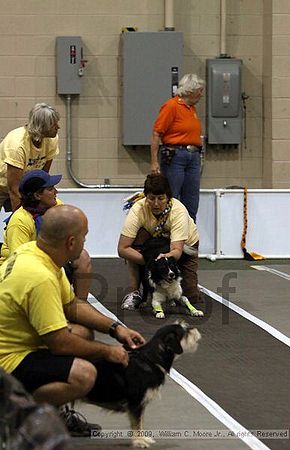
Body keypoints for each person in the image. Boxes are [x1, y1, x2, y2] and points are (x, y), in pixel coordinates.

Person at [0, 205, 145, 436]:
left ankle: (45, 409)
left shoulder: (35, 252)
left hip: (16, 343)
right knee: (84, 374)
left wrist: (116, 329)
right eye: (84, 237)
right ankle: (16, 411)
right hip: (8, 360)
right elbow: (60, 343)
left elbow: (72, 306)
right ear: (70, 242)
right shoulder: (41, 277)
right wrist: (108, 351)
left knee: (83, 334)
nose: (84, 243)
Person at [0, 169, 91, 301]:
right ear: (37, 196)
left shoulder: (56, 206)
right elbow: (19, 261)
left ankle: (80, 305)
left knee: (82, 256)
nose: (56, 192)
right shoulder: (19, 221)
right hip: (17, 270)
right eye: (50, 189)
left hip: (46, 256)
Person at [118, 173, 201, 310]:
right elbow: (122, 248)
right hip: (154, 244)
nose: (156, 203)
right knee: (135, 238)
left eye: (161, 198)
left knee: (189, 296)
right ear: (146, 197)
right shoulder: (138, 209)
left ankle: (189, 283)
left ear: (168, 197)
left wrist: (162, 263)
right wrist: (153, 264)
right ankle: (134, 292)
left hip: (184, 246)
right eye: (151, 198)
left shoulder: (178, 211)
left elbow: (177, 251)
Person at [150, 73, 205, 222]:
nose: (201, 94)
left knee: (192, 201)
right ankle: (168, 237)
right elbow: (156, 133)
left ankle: (189, 238)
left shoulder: (191, 109)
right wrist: (154, 162)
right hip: (176, 157)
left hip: (193, 157)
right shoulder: (171, 106)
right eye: (199, 90)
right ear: (190, 90)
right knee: (172, 198)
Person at [0, 103, 60, 212]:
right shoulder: (17, 145)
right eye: (53, 124)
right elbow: (14, 189)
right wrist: (21, 220)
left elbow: (42, 178)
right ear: (42, 126)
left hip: (23, 186)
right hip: (4, 184)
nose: (58, 127)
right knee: (20, 220)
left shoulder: (52, 140)